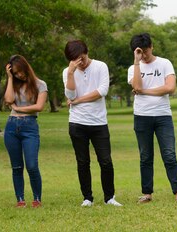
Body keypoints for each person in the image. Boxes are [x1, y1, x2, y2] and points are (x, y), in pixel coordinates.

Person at [128, 33, 177, 204]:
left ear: (151, 47)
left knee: (169, 154)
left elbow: (170, 88)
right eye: (140, 52)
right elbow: (136, 86)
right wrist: (137, 62)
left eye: (145, 51)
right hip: (142, 116)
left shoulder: (164, 63)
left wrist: (145, 91)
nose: (144, 55)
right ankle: (147, 193)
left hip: (163, 116)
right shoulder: (133, 68)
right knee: (145, 156)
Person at [63, 40, 122, 207]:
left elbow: (102, 91)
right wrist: (70, 73)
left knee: (105, 161)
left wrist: (78, 100)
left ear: (86, 53)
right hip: (77, 122)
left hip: (98, 123)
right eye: (75, 60)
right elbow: (70, 94)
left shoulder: (100, 66)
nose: (80, 63)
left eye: (81, 58)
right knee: (83, 162)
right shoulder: (68, 71)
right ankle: (87, 197)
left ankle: (109, 197)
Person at [3, 55, 48, 208]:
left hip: (30, 127)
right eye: (15, 73)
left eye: (19, 71)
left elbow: (39, 107)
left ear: (25, 67)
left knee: (32, 165)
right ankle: (20, 200)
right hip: (11, 127)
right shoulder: (13, 84)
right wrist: (9, 78)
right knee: (16, 167)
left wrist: (19, 109)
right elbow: (9, 100)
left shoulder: (40, 84)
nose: (19, 75)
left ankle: (37, 198)